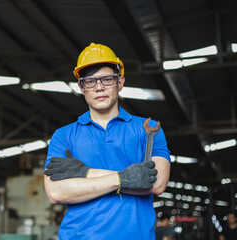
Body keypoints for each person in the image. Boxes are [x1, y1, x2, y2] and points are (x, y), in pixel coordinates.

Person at [43, 43, 171, 239]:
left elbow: (157, 183)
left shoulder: (148, 129)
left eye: (107, 79)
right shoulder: (64, 136)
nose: (99, 87)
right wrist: (124, 178)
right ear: (81, 87)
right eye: (90, 81)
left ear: (120, 82)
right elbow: (56, 192)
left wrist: (85, 174)